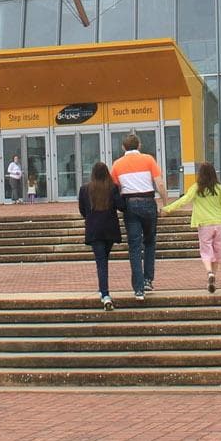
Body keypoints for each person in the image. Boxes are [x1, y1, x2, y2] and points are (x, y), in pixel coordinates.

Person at [110, 133, 167, 299]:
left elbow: (114, 189)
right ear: (139, 145)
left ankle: (138, 288)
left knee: (134, 246)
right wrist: (164, 204)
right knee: (150, 241)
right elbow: (160, 184)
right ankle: (148, 279)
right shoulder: (149, 159)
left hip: (130, 204)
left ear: (123, 147)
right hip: (148, 202)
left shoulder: (117, 164)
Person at [164, 161, 221, 293]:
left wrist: (168, 209)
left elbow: (183, 200)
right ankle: (214, 276)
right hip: (218, 224)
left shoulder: (197, 187)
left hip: (204, 224)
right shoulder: (219, 188)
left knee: (206, 251)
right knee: (217, 252)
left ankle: (209, 273)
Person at [77, 162, 122, 310]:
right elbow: (120, 205)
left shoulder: (85, 189)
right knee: (104, 260)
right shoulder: (112, 188)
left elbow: (82, 210)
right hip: (109, 229)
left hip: (94, 230)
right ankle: (103, 292)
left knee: (101, 262)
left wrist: (90, 217)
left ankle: (105, 294)